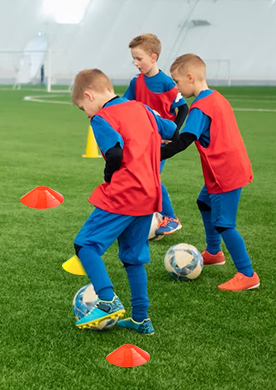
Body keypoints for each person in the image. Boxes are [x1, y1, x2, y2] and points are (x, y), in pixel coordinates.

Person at [70, 69, 177, 334]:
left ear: (89, 95)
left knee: (85, 244)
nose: (87, 114)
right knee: (133, 258)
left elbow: (115, 153)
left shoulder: (102, 118)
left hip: (123, 193)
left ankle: (106, 301)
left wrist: (109, 176)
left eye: (84, 108)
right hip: (149, 195)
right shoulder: (141, 108)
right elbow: (172, 129)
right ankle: (142, 319)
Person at [161, 54, 258, 291]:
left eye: (176, 81)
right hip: (228, 168)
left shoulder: (200, 107)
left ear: (190, 77)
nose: (176, 88)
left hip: (225, 172)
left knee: (225, 224)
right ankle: (214, 252)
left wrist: (154, 154)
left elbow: (184, 141)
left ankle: (247, 275)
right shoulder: (215, 97)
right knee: (204, 202)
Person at [124, 33, 189, 238]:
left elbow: (183, 108)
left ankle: (171, 218)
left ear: (153, 57)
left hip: (159, 142)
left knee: (151, 178)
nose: (135, 63)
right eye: (133, 58)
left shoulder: (166, 83)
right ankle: (149, 218)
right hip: (142, 140)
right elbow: (125, 105)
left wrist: (173, 133)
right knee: (140, 179)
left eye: (139, 58)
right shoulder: (136, 82)